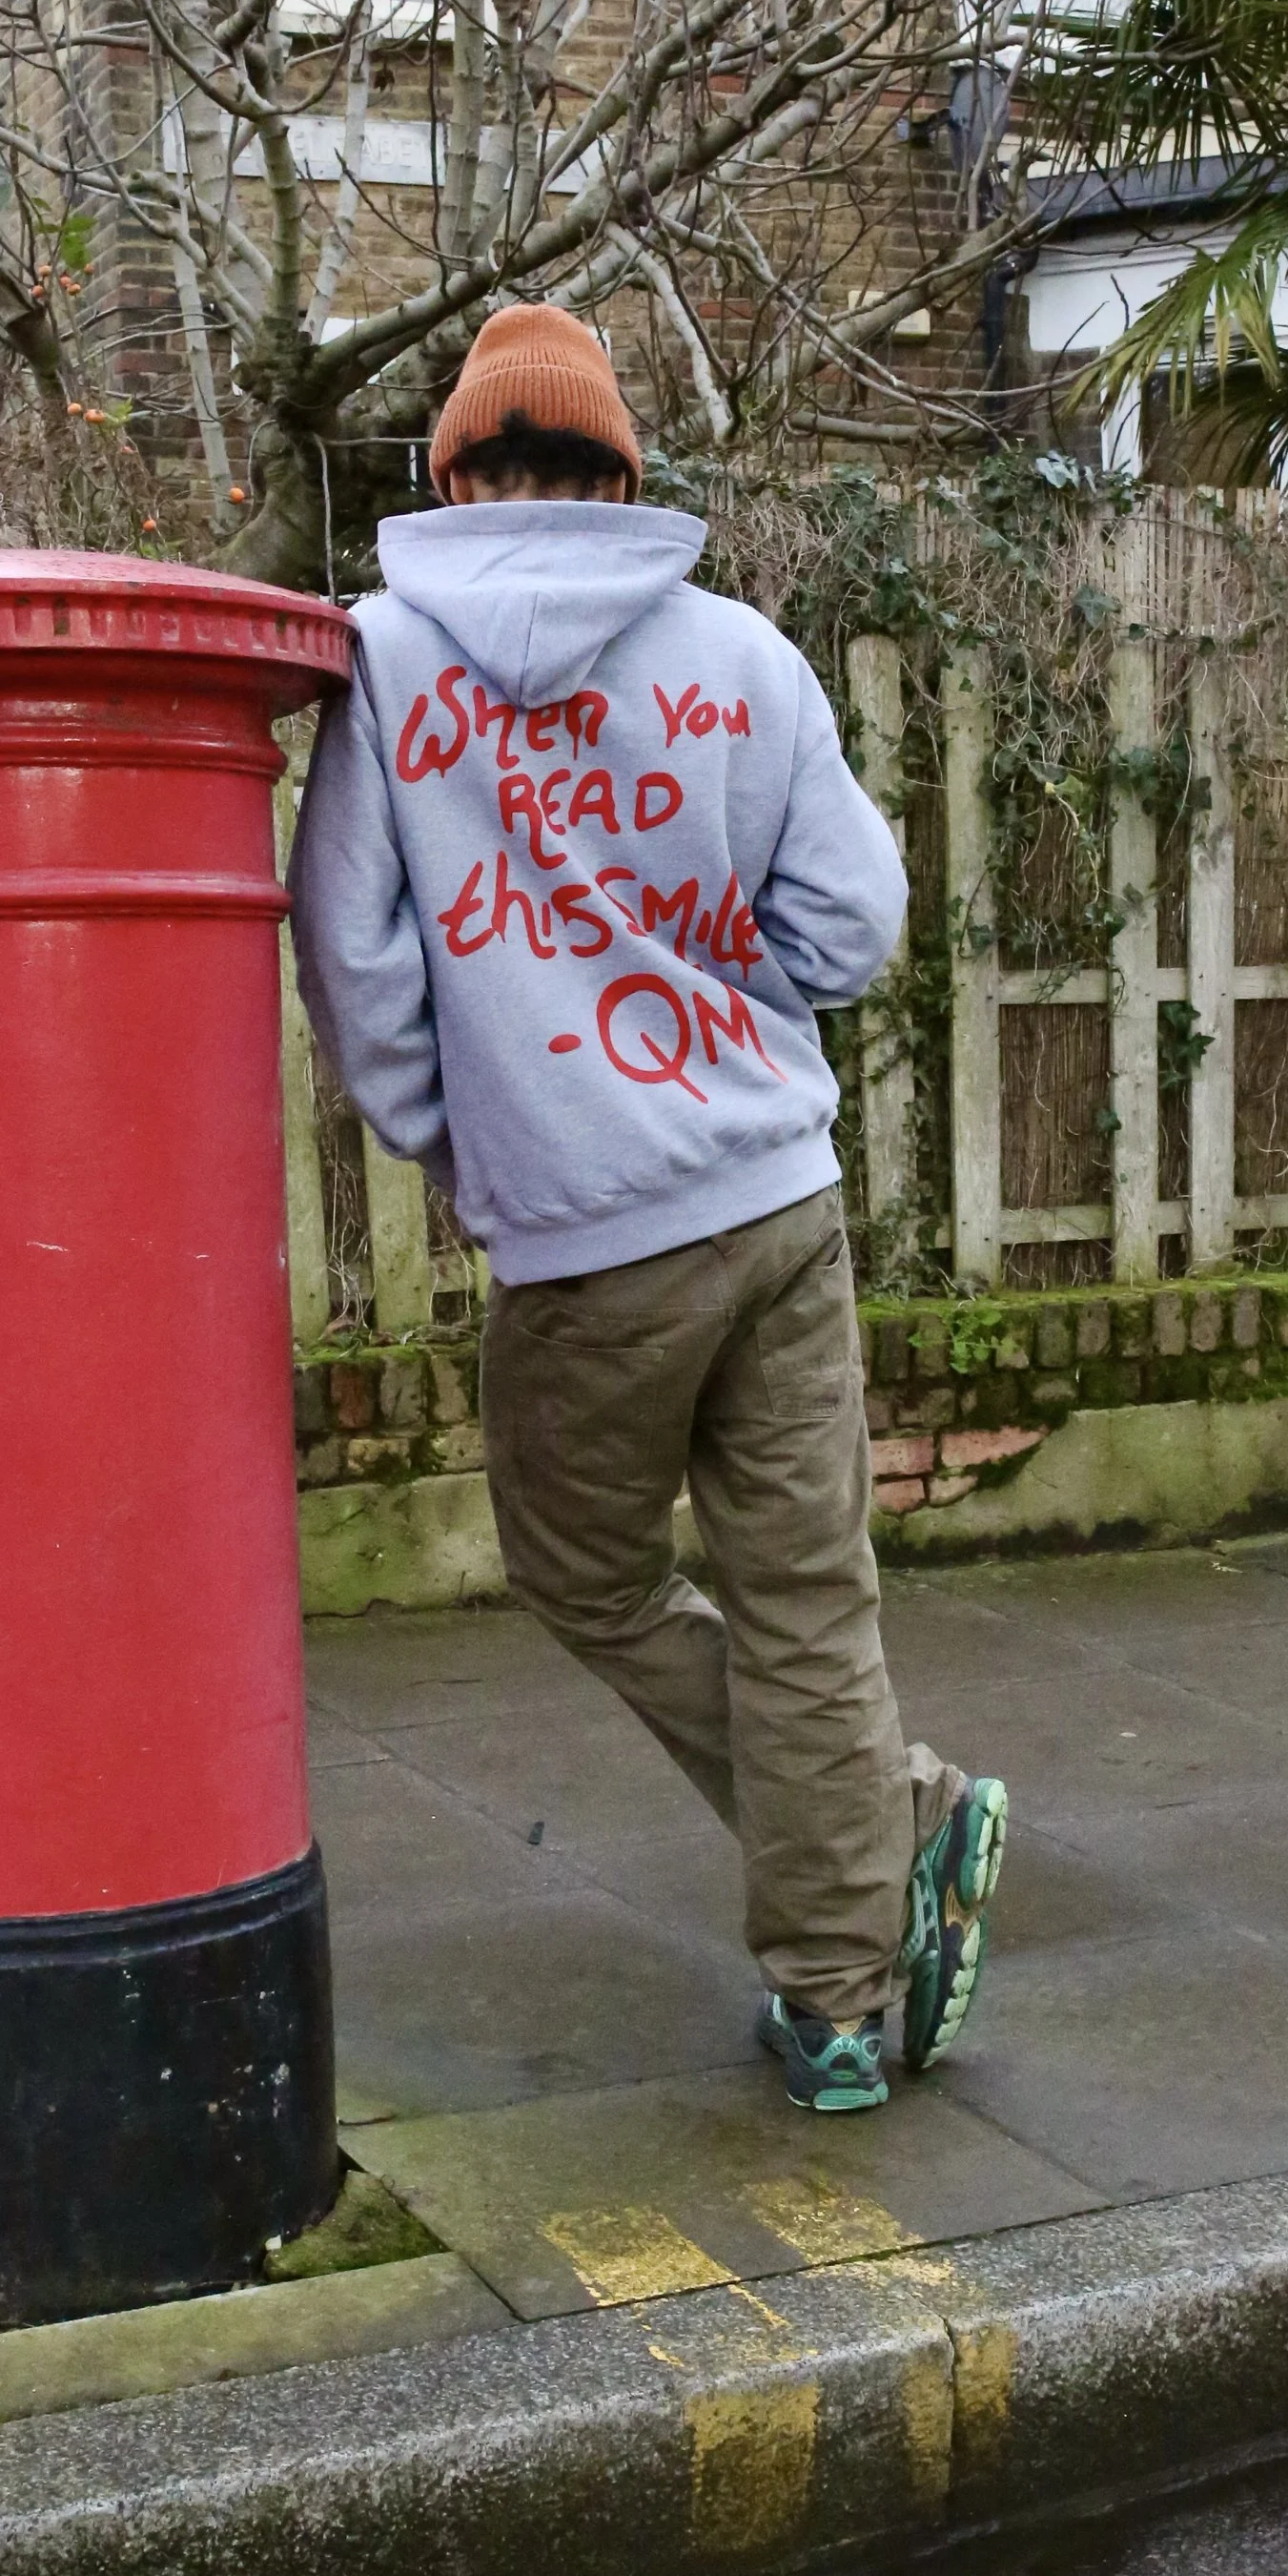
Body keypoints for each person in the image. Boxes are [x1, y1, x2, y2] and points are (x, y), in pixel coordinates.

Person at [288, 301, 1003, 2112]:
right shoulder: (743, 659)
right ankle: (846, 2001)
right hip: (776, 1198)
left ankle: (895, 1825)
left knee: (585, 1572)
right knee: (808, 1601)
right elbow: (852, 926)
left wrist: (480, 1140)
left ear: (451, 470)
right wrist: (713, 1004)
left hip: (583, 1234)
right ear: (622, 470)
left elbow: (364, 985)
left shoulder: (382, 670)